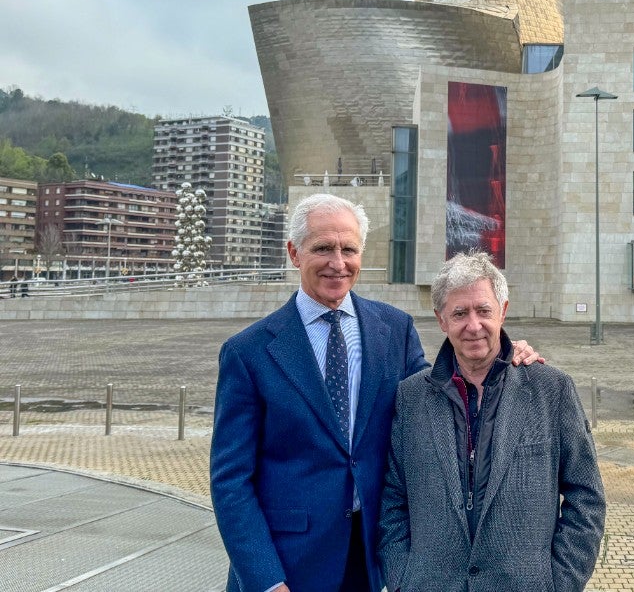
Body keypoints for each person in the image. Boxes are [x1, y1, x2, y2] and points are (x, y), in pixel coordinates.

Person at [210, 194, 539, 592]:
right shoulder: (248, 352)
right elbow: (231, 482)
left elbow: (437, 396)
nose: (338, 262)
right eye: (323, 248)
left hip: (369, 561)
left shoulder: (395, 330)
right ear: (294, 253)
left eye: (349, 249)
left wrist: (503, 353)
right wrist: (265, 580)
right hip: (286, 566)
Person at [379, 251, 606, 592]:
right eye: (459, 313)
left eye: (483, 310)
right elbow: (393, 500)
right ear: (441, 320)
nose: (473, 326)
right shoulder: (411, 398)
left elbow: (586, 496)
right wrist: (401, 579)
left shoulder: (551, 390)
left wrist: (560, 583)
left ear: (503, 311)